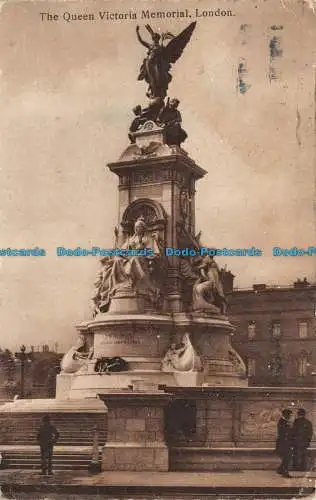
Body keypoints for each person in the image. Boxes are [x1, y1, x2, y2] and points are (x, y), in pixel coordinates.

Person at [275, 408, 293, 478]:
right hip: (283, 443)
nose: (290, 416)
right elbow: (285, 433)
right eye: (290, 415)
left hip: (283, 443)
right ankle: (285, 472)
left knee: (286, 458)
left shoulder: (283, 421)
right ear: (286, 415)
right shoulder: (282, 422)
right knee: (287, 458)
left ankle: (280, 469)